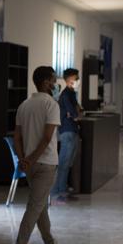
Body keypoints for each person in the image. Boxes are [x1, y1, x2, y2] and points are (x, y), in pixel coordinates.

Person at [11, 66, 60, 244]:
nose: (56, 84)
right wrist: (30, 158)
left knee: (40, 205)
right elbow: (48, 137)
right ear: (46, 82)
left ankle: (50, 243)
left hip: (30, 165)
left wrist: (23, 159)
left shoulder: (25, 105)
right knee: (35, 206)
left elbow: (17, 136)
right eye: (54, 80)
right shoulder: (51, 105)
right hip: (46, 163)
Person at [51, 68, 81, 204]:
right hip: (67, 131)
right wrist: (74, 114)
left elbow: (78, 111)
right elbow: (74, 114)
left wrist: (75, 113)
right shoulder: (65, 95)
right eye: (76, 78)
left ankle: (63, 191)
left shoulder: (72, 94)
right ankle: (57, 193)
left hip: (73, 130)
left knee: (68, 163)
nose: (78, 81)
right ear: (69, 80)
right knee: (63, 163)